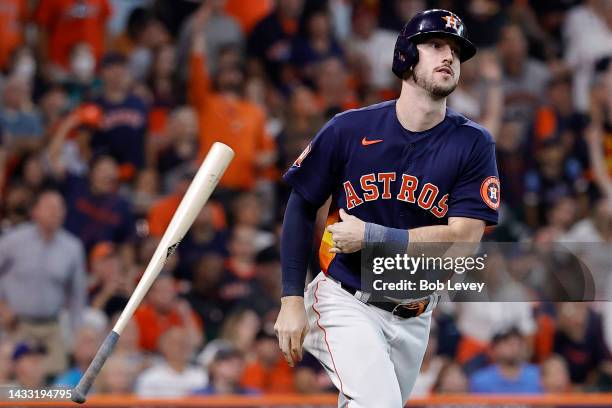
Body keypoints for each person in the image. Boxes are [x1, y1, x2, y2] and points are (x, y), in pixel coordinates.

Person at [274, 9, 499, 407]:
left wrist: (373, 237)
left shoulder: (473, 143)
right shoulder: (349, 128)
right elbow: (300, 203)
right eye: (435, 46)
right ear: (404, 58)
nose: (449, 56)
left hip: (416, 313)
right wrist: (291, 299)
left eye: (456, 51)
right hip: (345, 299)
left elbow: (465, 241)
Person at [0, 191, 86, 376]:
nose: (55, 212)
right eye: (49, 207)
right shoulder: (13, 241)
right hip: (14, 325)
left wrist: (76, 331)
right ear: (35, 211)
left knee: (58, 375)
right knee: (7, 371)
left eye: (59, 208)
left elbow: (77, 295)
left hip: (51, 326)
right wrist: (2, 306)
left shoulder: (72, 247)